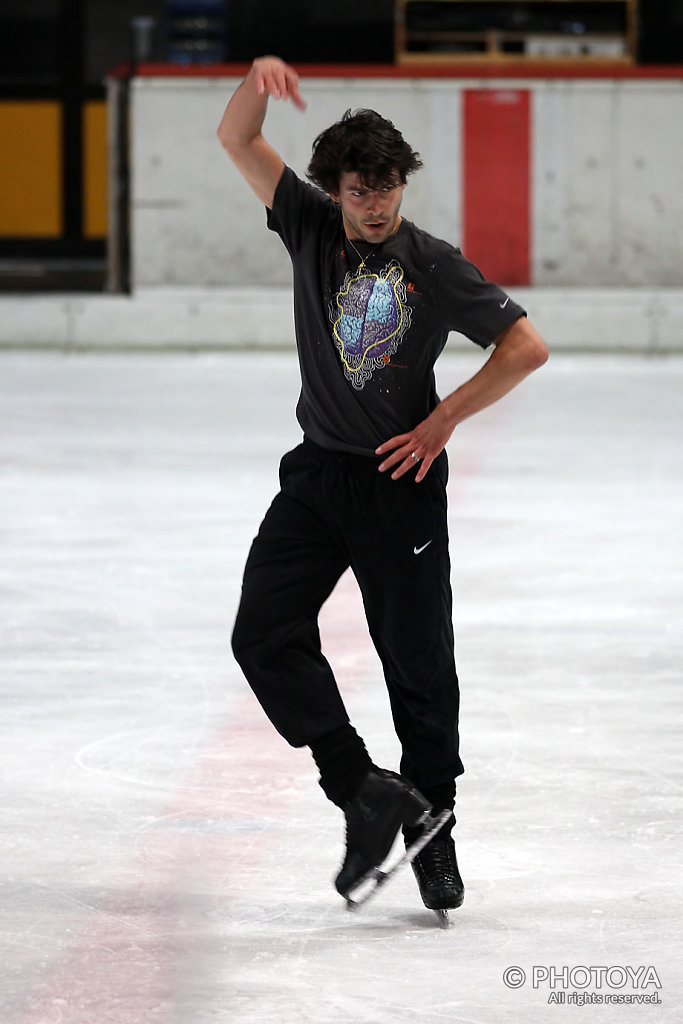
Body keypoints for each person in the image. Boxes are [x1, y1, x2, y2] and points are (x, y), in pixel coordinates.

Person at [219, 56, 548, 915]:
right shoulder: (307, 224)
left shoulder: (432, 264)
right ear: (334, 188)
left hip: (399, 486)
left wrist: (443, 422)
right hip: (317, 477)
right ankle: (362, 787)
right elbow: (238, 136)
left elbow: (523, 348)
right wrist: (259, 79)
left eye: (388, 187)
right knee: (262, 633)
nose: (375, 203)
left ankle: (431, 827)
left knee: (418, 668)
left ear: (403, 184)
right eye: (360, 190)